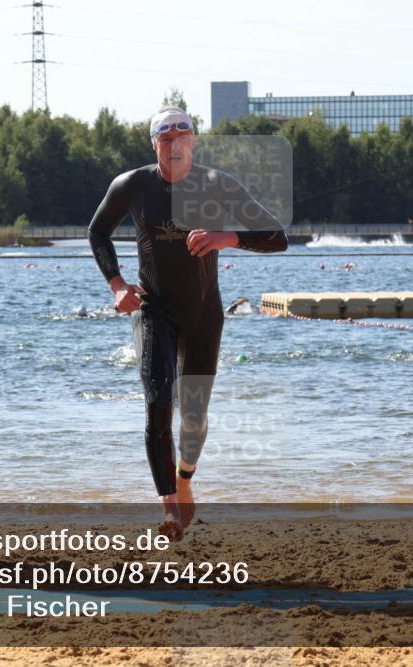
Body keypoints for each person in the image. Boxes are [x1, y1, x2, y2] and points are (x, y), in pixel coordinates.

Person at [88, 106, 288, 539]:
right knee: (158, 402)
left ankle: (183, 483)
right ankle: (166, 507)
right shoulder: (133, 185)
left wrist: (227, 237)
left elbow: (277, 237)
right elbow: (97, 231)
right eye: (165, 136)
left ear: (194, 141)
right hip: (153, 310)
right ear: (154, 144)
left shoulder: (217, 185)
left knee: (194, 416)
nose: (174, 143)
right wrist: (117, 284)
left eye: (183, 135)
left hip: (203, 314)